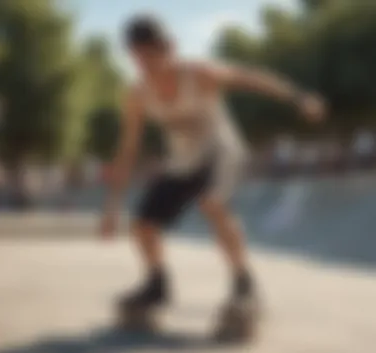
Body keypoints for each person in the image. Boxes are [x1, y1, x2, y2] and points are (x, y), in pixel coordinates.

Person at [100, 14, 325, 327]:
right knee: (143, 226)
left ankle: (243, 284)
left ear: (169, 49)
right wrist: (113, 207)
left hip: (223, 154)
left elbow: (252, 78)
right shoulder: (137, 94)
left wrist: (298, 98)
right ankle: (157, 287)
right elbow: (127, 148)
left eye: (152, 56)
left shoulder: (201, 74)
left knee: (213, 203)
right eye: (139, 59)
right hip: (183, 163)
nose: (147, 66)